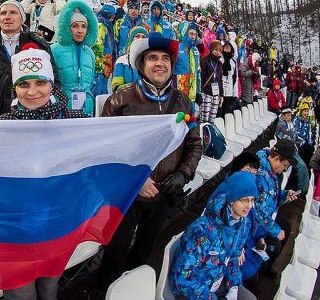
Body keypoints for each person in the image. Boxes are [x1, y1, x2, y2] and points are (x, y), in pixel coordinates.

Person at [93, 33, 203, 296]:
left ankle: (129, 292)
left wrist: (183, 174)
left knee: (144, 250)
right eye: (152, 58)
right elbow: (107, 150)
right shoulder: (120, 100)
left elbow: (194, 145)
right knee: (116, 252)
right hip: (128, 195)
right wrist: (136, 180)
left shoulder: (183, 101)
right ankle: (103, 292)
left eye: (165, 58)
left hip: (163, 194)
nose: (160, 63)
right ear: (141, 64)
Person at [0, 44, 88, 299]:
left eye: (40, 83)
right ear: (15, 88)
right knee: (21, 295)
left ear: (51, 85)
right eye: (24, 85)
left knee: (49, 290)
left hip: (57, 226)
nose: (32, 92)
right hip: (14, 232)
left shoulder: (75, 122)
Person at [170, 171, 258, 300]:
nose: (249, 205)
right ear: (232, 200)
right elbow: (183, 280)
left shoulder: (244, 224)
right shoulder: (201, 231)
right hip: (192, 289)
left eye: (252, 200)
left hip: (217, 280)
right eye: (245, 200)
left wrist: (234, 287)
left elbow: (233, 259)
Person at [0, 0, 58, 120]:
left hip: (33, 116)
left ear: (22, 19)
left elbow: (54, 80)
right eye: (3, 13)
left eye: (13, 12)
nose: (7, 17)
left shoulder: (40, 45)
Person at [253, 140, 300, 267]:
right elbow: (259, 214)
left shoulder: (271, 171)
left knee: (287, 226)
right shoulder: (262, 176)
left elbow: (270, 195)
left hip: (268, 213)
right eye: (284, 166)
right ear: (277, 159)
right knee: (275, 243)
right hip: (256, 222)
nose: (284, 170)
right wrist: (276, 231)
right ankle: (262, 269)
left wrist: (284, 195)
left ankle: (268, 266)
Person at [50, 0, 98, 116]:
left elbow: (90, 81)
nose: (80, 31)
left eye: (84, 26)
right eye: (75, 26)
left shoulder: (90, 52)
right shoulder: (54, 50)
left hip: (87, 107)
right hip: (62, 107)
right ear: (67, 28)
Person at [275, 107, 309, 193]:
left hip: (292, 148)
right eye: (287, 116)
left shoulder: (288, 124)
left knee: (304, 166)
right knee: (302, 167)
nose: (289, 117)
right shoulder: (281, 125)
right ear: (283, 115)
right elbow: (290, 136)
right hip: (287, 152)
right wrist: (296, 140)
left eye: (290, 116)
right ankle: (302, 191)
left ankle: (304, 188)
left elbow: (293, 135)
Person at [111, 26, 147, 92]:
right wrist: (138, 88)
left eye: (144, 37)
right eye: (137, 36)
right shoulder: (122, 61)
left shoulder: (150, 61)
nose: (141, 39)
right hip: (126, 100)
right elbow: (116, 87)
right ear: (130, 39)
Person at [173, 23, 201, 106]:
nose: (193, 37)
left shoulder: (195, 50)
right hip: (179, 89)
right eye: (190, 34)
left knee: (191, 116)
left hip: (192, 90)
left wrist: (198, 91)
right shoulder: (177, 48)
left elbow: (198, 72)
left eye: (195, 34)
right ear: (184, 34)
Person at [200, 40, 223, 124]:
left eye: (220, 50)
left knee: (212, 119)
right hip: (206, 92)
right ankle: (203, 135)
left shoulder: (219, 63)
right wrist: (201, 91)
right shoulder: (205, 60)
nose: (218, 52)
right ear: (211, 49)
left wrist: (221, 95)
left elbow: (220, 80)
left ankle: (209, 135)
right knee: (204, 118)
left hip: (216, 93)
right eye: (216, 50)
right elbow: (201, 76)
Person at [220, 41, 239, 117]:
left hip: (229, 90)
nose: (227, 49)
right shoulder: (220, 60)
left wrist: (235, 93)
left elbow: (235, 78)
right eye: (225, 47)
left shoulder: (233, 62)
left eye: (228, 47)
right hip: (219, 90)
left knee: (226, 112)